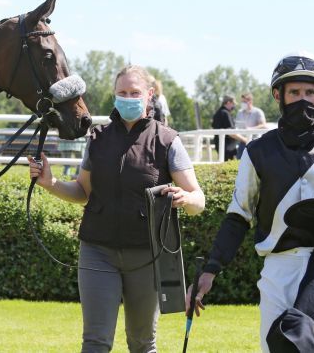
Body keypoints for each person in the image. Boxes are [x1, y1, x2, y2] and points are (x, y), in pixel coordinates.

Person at [187, 51, 314, 353]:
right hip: (279, 271)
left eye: (310, 92)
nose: (303, 99)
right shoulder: (257, 152)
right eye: (295, 92)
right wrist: (210, 269)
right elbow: (238, 216)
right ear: (279, 95)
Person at [28, 65, 205, 352]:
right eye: (121, 93)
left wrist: (186, 198)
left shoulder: (168, 140)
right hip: (97, 251)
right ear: (114, 96)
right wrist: (50, 183)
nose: (128, 98)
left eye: (134, 92)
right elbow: (83, 192)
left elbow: (199, 199)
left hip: (147, 255)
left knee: (142, 342)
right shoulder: (97, 138)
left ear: (149, 95)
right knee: (95, 341)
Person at [210, 95, 248, 161]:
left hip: (220, 146)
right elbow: (231, 132)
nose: (234, 106)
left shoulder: (218, 113)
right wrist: (245, 140)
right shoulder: (225, 113)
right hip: (228, 148)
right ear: (228, 102)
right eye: (233, 104)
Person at [234, 91, 267, 158]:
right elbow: (237, 125)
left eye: (244, 102)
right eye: (242, 102)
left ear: (250, 101)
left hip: (255, 141)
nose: (243, 104)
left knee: (254, 164)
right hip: (242, 141)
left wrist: (251, 129)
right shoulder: (239, 112)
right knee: (239, 163)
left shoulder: (258, 112)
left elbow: (263, 125)